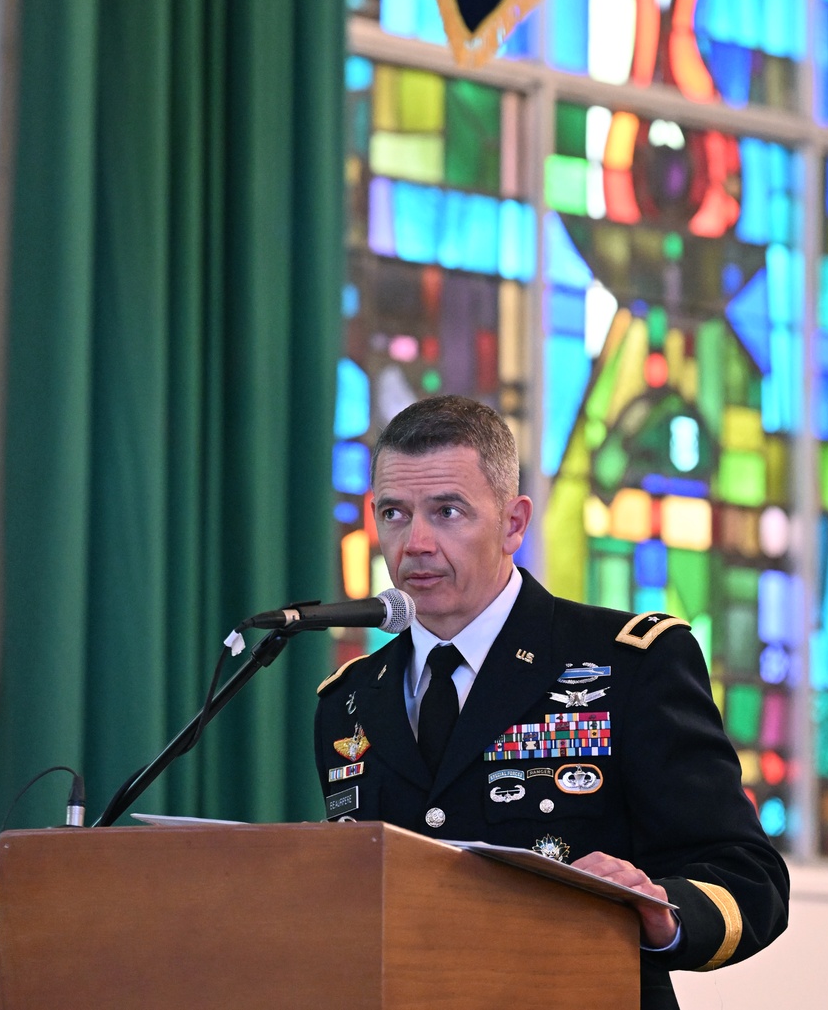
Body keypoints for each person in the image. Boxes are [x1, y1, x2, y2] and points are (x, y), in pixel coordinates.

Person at [313, 396, 789, 1009]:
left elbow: (750, 878)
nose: (416, 543)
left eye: (448, 511)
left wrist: (662, 911)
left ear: (514, 523)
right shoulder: (349, 701)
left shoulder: (631, 664)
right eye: (395, 513)